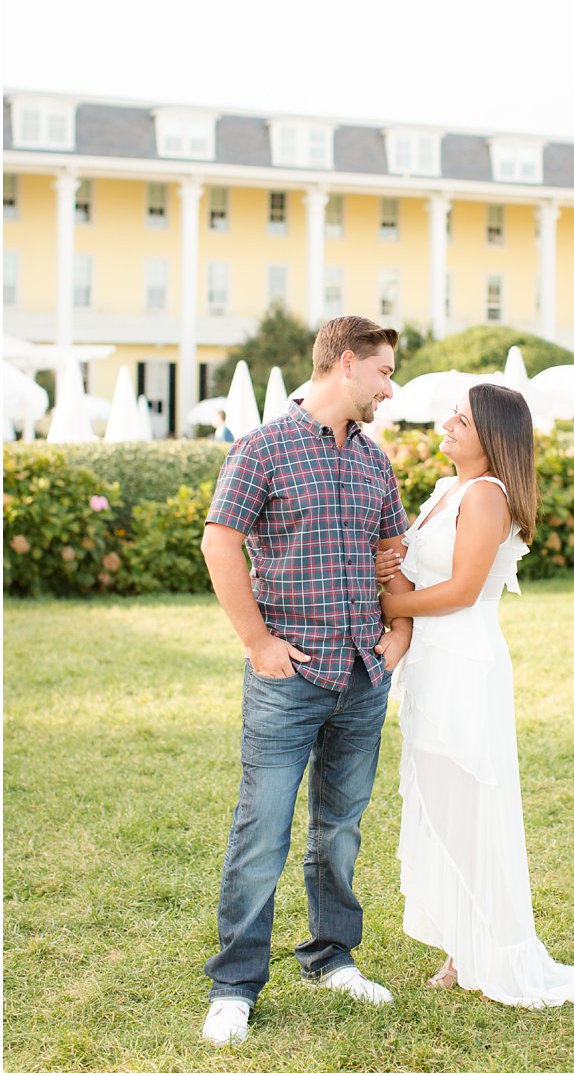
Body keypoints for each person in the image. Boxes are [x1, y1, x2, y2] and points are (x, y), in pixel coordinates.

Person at [199, 315, 413, 1046]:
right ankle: (234, 985)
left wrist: (399, 635)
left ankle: (331, 956)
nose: (390, 387)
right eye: (383, 371)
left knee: (341, 830)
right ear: (346, 363)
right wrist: (257, 641)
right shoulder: (262, 448)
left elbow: (393, 554)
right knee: (263, 828)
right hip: (288, 676)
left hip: (362, 674)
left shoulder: (375, 462)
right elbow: (219, 542)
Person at [377, 383, 574, 1007]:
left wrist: (389, 602)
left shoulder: (485, 497)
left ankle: (490, 948)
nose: (447, 423)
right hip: (430, 662)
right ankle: (462, 940)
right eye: (453, 413)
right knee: (442, 803)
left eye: (463, 418)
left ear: (493, 437)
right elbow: (419, 568)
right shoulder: (447, 490)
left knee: (468, 804)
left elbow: (461, 590)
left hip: (463, 662)